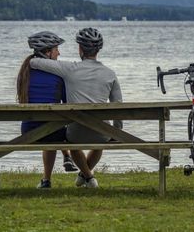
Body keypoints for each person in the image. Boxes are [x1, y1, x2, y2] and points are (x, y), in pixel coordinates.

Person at [30, 27, 123, 188]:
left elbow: (35, 62)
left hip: (75, 134)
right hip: (102, 133)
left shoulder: (69, 69)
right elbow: (118, 107)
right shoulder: (110, 74)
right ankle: (86, 176)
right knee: (100, 140)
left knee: (72, 143)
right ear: (98, 50)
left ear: (80, 48)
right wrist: (116, 131)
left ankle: (87, 176)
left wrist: (35, 55)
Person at [17, 31, 77, 189]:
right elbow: (67, 102)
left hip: (28, 130)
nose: (59, 53)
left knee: (48, 127)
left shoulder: (24, 73)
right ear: (47, 52)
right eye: (56, 49)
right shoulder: (58, 75)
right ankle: (81, 170)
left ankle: (46, 181)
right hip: (53, 131)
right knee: (57, 129)